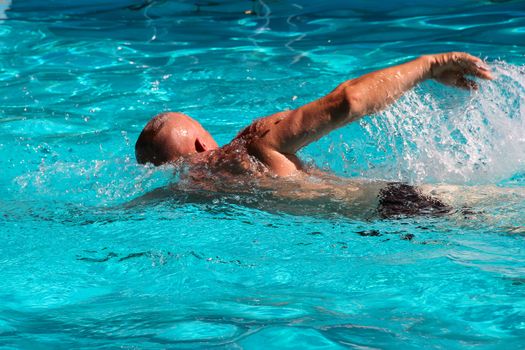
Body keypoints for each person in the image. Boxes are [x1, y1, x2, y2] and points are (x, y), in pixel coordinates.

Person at [134, 52, 494, 218]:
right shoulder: (251, 145)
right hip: (406, 206)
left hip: (366, 235)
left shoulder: (183, 193)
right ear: (200, 142)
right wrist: (430, 66)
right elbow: (348, 101)